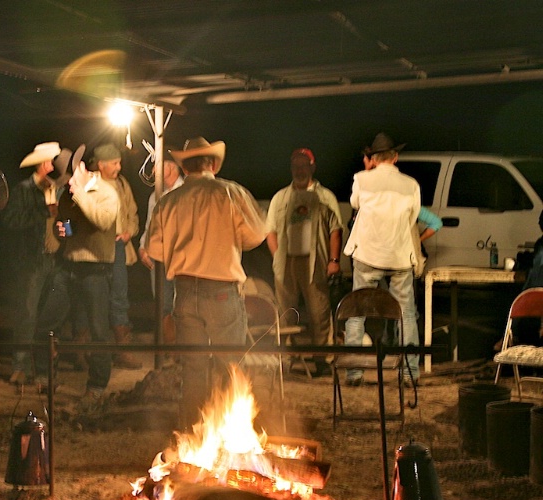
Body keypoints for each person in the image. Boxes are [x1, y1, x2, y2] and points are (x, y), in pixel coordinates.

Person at [145, 137, 266, 429]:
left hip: (184, 292)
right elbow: (257, 234)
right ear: (212, 164)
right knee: (231, 366)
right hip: (222, 290)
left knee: (194, 370)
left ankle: (191, 436)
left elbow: (154, 249)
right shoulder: (230, 193)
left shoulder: (169, 201)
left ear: (184, 167)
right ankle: (228, 433)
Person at [33, 152, 119, 405]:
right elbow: (70, 227)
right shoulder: (71, 196)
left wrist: (80, 194)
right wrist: (63, 230)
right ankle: (47, 377)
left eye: (71, 178)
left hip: (95, 270)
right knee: (47, 322)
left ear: (83, 168)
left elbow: (102, 221)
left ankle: (97, 387)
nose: (68, 184)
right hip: (69, 267)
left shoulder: (107, 193)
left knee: (99, 331)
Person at [343, 133, 421, 386]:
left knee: (357, 312)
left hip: (368, 253)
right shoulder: (411, 185)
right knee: (406, 314)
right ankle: (409, 373)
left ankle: (354, 372)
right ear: (395, 157)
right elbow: (413, 219)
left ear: (374, 159)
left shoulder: (361, 179)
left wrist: (368, 172)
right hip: (399, 256)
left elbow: (355, 204)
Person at [265, 148, 342, 378]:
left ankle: (323, 359)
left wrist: (334, 260)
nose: (299, 170)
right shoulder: (280, 197)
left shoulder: (325, 196)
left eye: (303, 165)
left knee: (319, 312)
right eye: (295, 166)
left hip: (315, 262)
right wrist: (278, 256)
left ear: (312, 167)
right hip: (287, 263)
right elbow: (270, 231)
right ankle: (286, 358)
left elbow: (335, 230)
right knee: (285, 312)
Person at [1, 142, 67, 386]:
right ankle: (20, 366)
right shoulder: (24, 190)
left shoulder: (57, 189)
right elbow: (11, 220)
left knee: (49, 317)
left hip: (54, 259)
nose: (54, 164)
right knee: (27, 314)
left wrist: (65, 230)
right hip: (31, 260)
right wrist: (43, 211)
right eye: (51, 160)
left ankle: (44, 369)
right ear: (42, 164)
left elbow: (67, 222)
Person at [93, 143, 141, 369]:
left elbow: (132, 212)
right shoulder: (92, 184)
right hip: (97, 249)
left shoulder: (122, 184)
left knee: (120, 296)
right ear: (101, 164)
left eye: (119, 162)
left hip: (119, 247)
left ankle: (122, 350)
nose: (118, 167)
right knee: (95, 298)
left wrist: (129, 232)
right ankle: (90, 352)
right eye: (114, 163)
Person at [138, 156, 183, 344]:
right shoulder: (155, 196)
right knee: (163, 304)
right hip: (159, 257)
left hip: (180, 257)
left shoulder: (185, 193)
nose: (154, 170)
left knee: (180, 304)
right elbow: (150, 226)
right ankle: (169, 349)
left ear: (171, 167)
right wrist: (143, 247)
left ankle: (181, 351)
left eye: (158, 165)